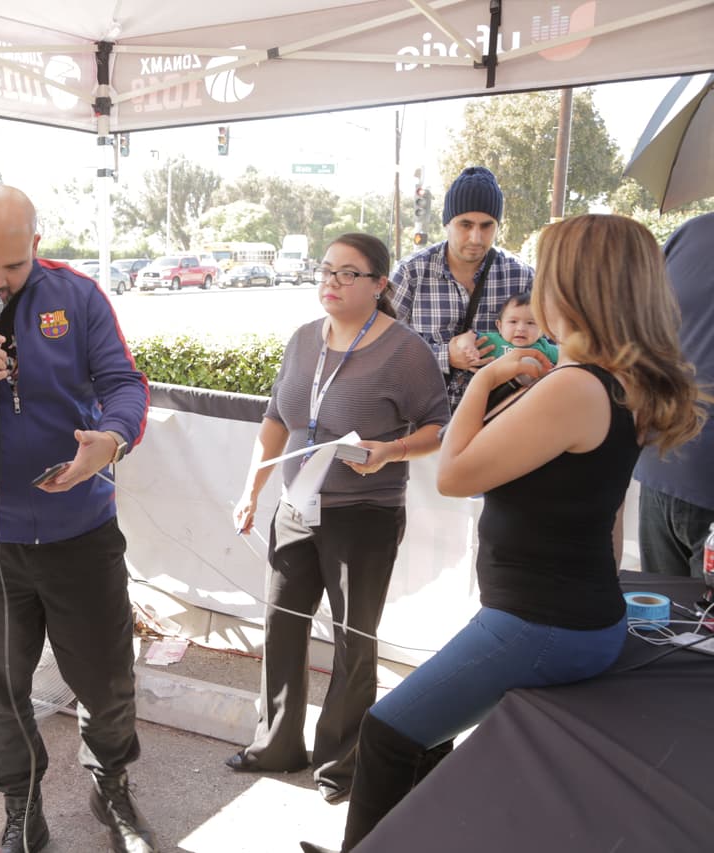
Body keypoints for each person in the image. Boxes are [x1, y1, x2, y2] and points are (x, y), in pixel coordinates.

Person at [303, 214, 706, 853]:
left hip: (543, 623)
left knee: (387, 734)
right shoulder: (612, 381)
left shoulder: (575, 386)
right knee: (428, 732)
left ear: (574, 289)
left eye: (547, 274)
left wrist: (487, 378)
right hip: (570, 616)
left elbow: (455, 474)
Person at [0, 185, 153, 853]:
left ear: (36, 250)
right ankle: (22, 807)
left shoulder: (76, 297)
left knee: (107, 681)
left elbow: (124, 383)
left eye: (12, 266)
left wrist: (111, 439)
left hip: (80, 529)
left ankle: (111, 786)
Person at [226, 233, 450, 805]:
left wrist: (390, 451)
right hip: (296, 506)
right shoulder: (304, 340)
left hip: (364, 515)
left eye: (348, 274)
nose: (332, 281)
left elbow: (436, 428)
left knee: (353, 639)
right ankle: (276, 743)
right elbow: (277, 418)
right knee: (282, 623)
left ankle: (342, 763)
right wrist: (252, 490)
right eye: (327, 270)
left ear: (380, 285)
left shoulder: (405, 351)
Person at [390, 165, 535, 410]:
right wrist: (446, 355)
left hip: (498, 420)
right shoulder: (411, 273)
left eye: (487, 226)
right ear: (447, 223)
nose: (476, 238)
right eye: (465, 225)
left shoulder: (522, 277)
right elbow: (381, 349)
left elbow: (550, 345)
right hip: (423, 420)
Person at [635, 211, 714, 577]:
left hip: (661, 462)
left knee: (664, 626)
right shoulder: (690, 233)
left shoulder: (691, 234)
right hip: (668, 469)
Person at [474, 292, 559, 363]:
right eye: (513, 322)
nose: (521, 328)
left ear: (542, 329)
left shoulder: (544, 347)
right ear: (500, 326)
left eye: (530, 323)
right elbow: (470, 338)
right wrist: (466, 340)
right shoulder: (493, 341)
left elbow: (567, 356)